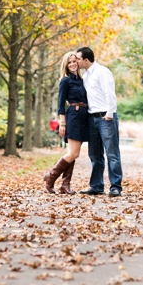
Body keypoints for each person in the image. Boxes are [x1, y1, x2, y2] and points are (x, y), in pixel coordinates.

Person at [76, 46, 123, 197]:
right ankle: (96, 186)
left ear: (86, 60)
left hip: (105, 117)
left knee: (112, 153)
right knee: (95, 154)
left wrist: (110, 113)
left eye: (78, 59)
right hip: (92, 118)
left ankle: (115, 186)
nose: (76, 61)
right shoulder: (86, 76)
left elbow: (110, 93)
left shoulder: (102, 71)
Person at [43, 51, 89, 194]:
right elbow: (60, 103)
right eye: (69, 62)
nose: (73, 64)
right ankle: (51, 177)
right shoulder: (65, 80)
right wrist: (62, 123)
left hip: (83, 116)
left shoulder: (82, 80)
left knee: (73, 153)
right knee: (73, 153)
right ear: (66, 65)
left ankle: (65, 185)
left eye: (75, 61)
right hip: (73, 116)